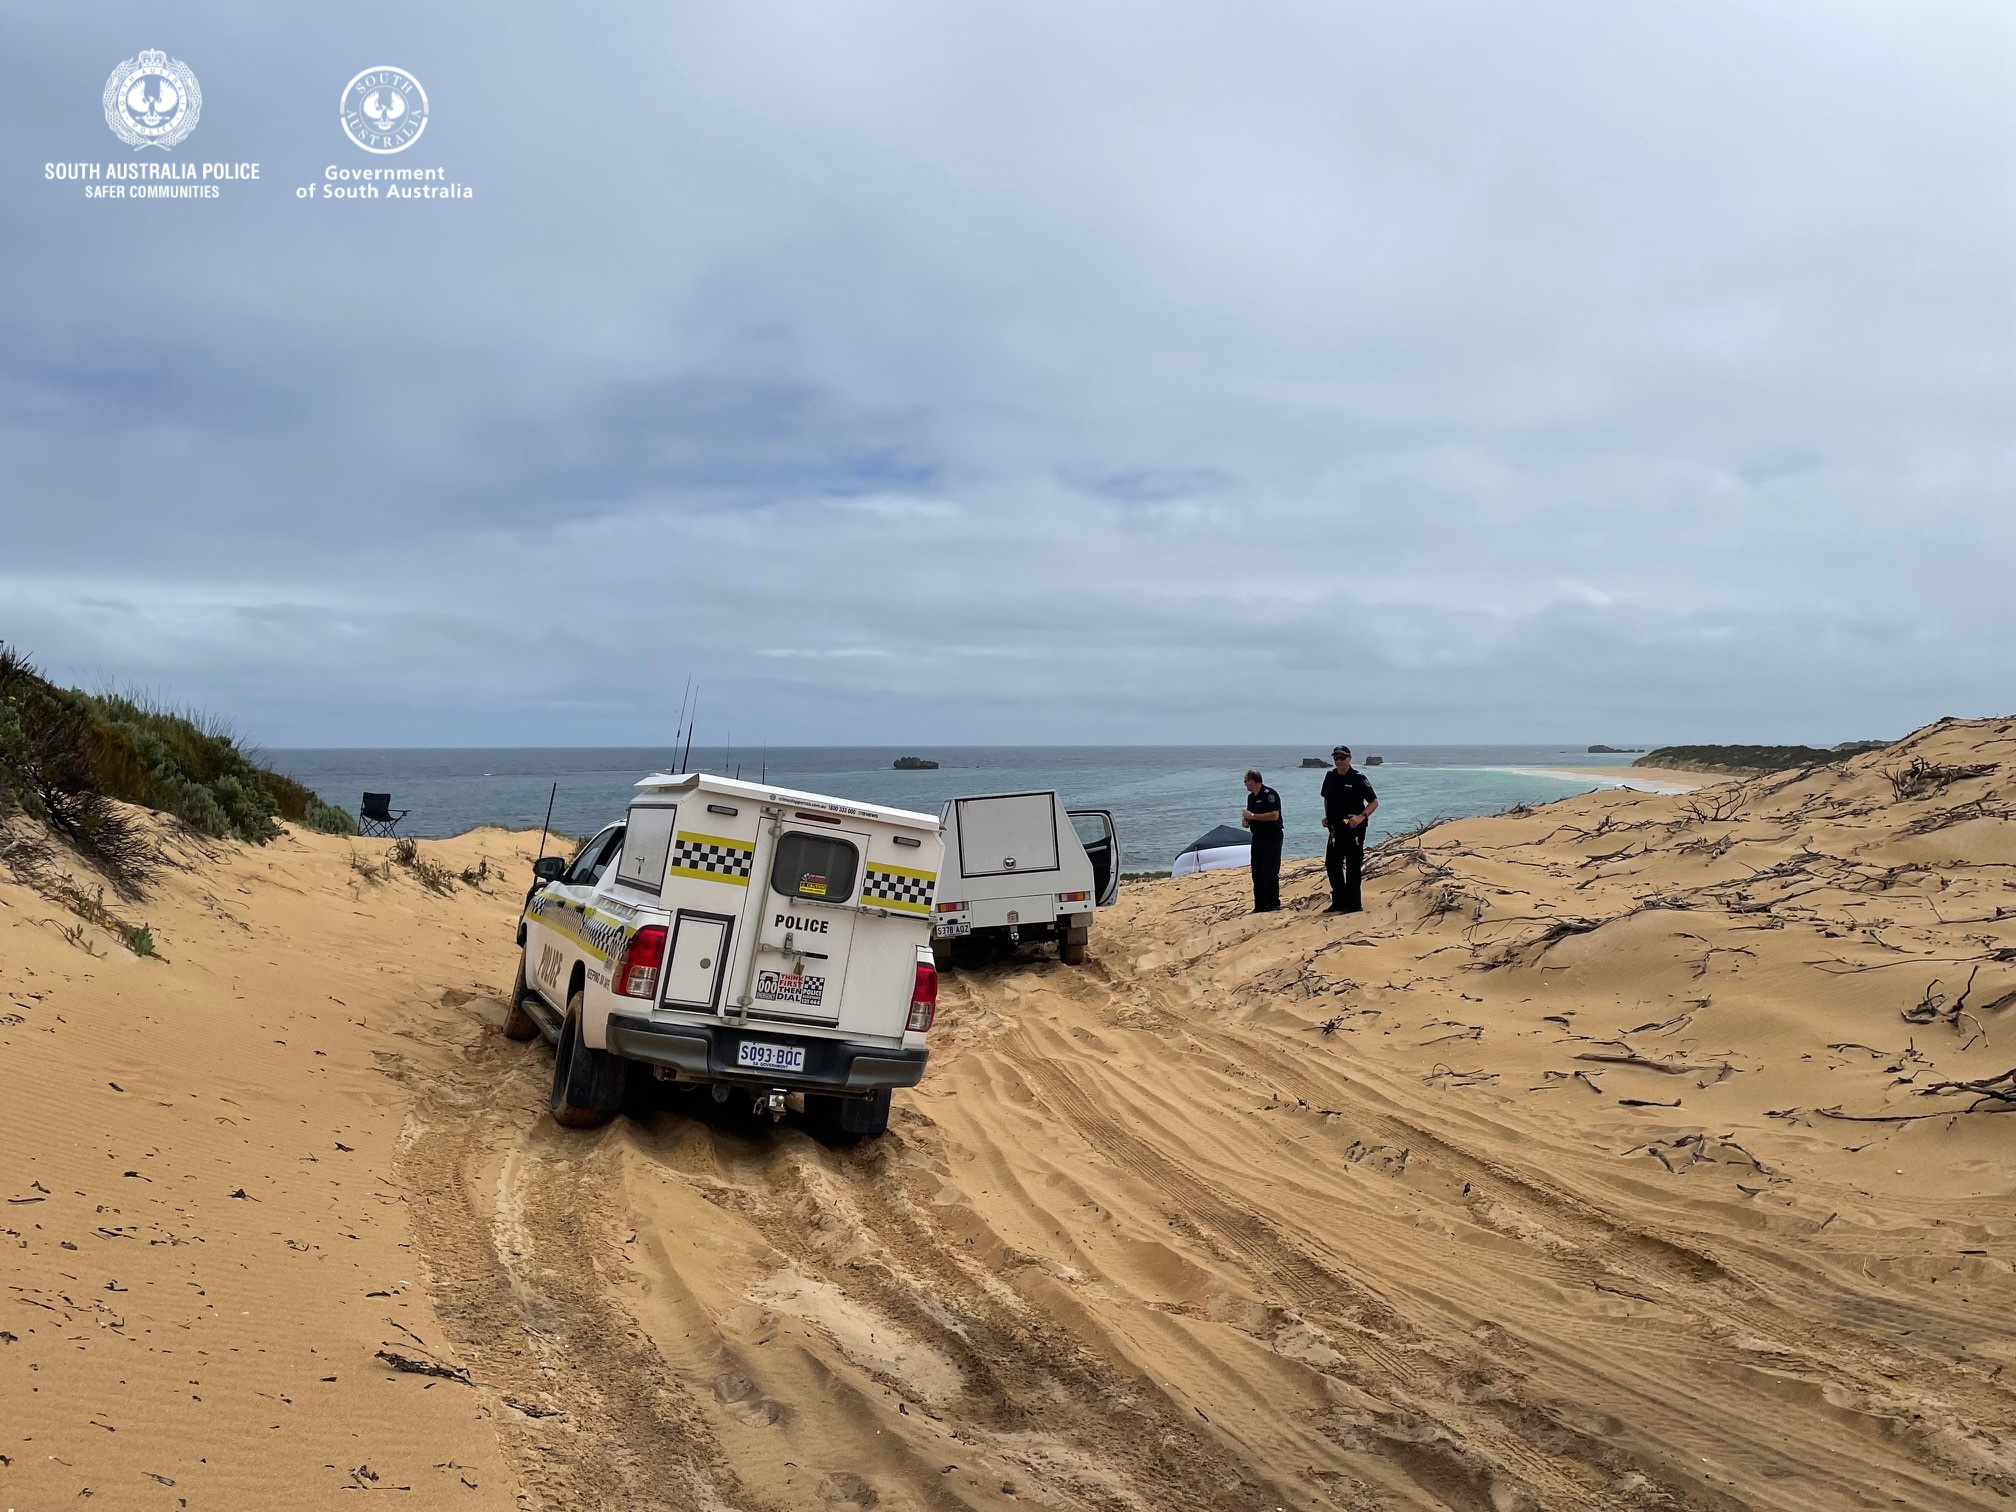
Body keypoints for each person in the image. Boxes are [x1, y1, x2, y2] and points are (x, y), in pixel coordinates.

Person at [1319, 745, 1378, 913]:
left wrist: (1361, 816)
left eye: (1342, 758)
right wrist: (1327, 816)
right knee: (1332, 864)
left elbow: (1374, 802)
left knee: (1352, 866)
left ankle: (1353, 904)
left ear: (1349, 759)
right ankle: (1339, 901)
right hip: (1335, 828)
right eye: (1336, 758)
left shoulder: (1358, 778)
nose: (1338, 761)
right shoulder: (1330, 776)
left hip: (1354, 829)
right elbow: (1326, 798)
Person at [1240, 769, 1283, 912]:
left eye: (1245, 781)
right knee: (1257, 871)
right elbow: (1251, 816)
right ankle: (1259, 905)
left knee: (1270, 871)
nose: (1245, 785)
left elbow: (1274, 815)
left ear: (1251, 781)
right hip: (1257, 836)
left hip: (1272, 836)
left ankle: (1273, 903)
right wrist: (1246, 822)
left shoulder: (1270, 794)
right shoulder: (1251, 797)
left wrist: (1252, 816)